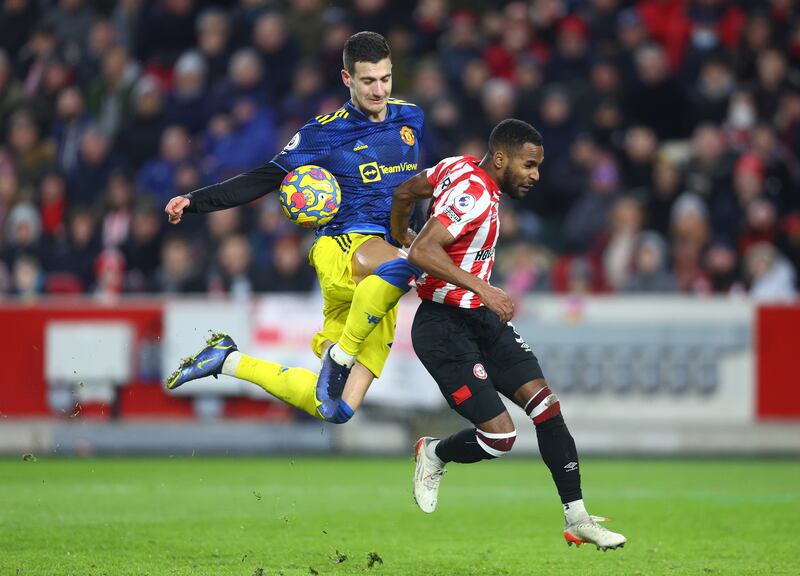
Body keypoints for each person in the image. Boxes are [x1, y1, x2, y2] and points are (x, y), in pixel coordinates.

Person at [162, 31, 424, 424]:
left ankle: (228, 360)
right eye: (368, 80)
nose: (379, 89)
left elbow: (406, 189)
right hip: (343, 246)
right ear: (346, 79)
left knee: (336, 409)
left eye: (385, 78)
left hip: (377, 286)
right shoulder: (322, 133)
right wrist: (195, 201)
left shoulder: (411, 118)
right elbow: (265, 177)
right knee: (409, 265)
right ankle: (339, 356)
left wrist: (409, 230)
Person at [390, 119, 627, 550]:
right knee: (500, 438)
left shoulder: (456, 167)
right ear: (500, 159)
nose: (536, 175)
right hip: (443, 325)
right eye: (529, 165)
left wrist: (397, 232)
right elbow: (424, 250)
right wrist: (479, 283)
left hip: (480, 318)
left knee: (546, 407)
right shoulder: (473, 194)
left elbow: (405, 192)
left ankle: (577, 518)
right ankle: (434, 453)